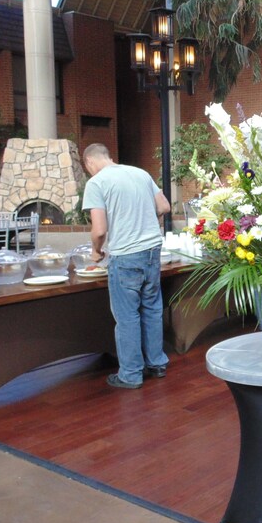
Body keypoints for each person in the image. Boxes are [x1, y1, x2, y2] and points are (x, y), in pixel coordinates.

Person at [80, 143, 172, 389]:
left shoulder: (96, 183)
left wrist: (96, 251)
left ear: (89, 162)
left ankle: (130, 374)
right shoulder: (140, 173)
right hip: (153, 251)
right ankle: (157, 363)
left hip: (126, 256)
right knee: (152, 308)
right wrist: (142, 220)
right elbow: (164, 207)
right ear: (109, 156)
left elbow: (99, 230)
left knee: (127, 315)